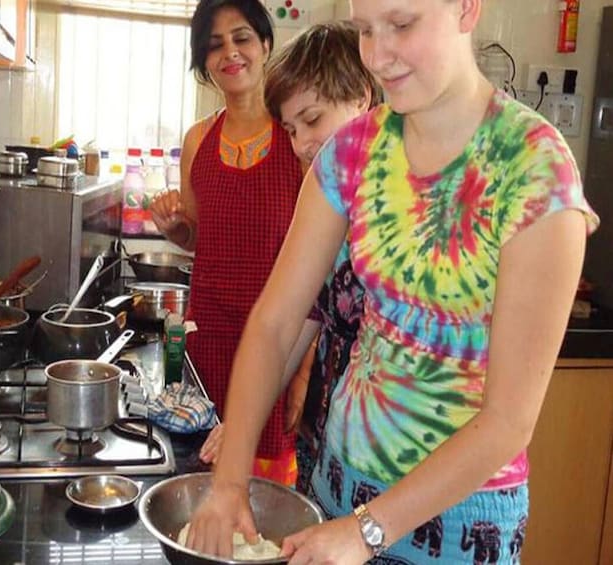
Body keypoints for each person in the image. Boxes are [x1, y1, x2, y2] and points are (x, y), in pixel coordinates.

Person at [184, 0, 599, 563]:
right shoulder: (352, 153)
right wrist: (229, 483)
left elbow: (507, 421)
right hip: (336, 492)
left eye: (401, 25)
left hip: (456, 529)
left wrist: (366, 530)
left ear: (467, 9)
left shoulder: (534, 168)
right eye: (364, 31)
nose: (377, 56)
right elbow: (277, 322)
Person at [198, 21, 383, 496]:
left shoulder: (403, 199)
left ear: (362, 96)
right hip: (330, 459)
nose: (301, 143)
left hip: (394, 481)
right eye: (291, 128)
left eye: (313, 119)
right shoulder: (331, 201)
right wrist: (240, 427)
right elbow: (290, 323)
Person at [149, 0, 303, 487]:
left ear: (265, 45)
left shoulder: (297, 137)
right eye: (214, 46)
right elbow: (198, 239)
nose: (229, 53)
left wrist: (301, 376)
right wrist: (175, 229)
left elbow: (316, 267)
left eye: (241, 38)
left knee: (266, 496)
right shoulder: (198, 139)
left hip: (279, 344)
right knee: (201, 480)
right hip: (208, 339)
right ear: (203, 62)